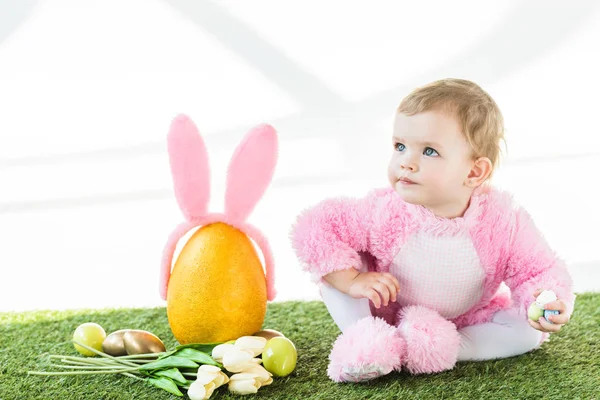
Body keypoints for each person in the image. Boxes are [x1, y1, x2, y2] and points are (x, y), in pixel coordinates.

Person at [290, 78, 575, 383]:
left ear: (474, 171)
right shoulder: (384, 210)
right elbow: (315, 227)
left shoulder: (503, 221)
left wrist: (545, 300)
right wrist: (354, 280)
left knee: (527, 334)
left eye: (429, 151)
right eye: (400, 146)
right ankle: (367, 339)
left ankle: (432, 348)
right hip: (386, 311)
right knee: (334, 276)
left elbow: (539, 269)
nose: (406, 163)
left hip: (462, 322)